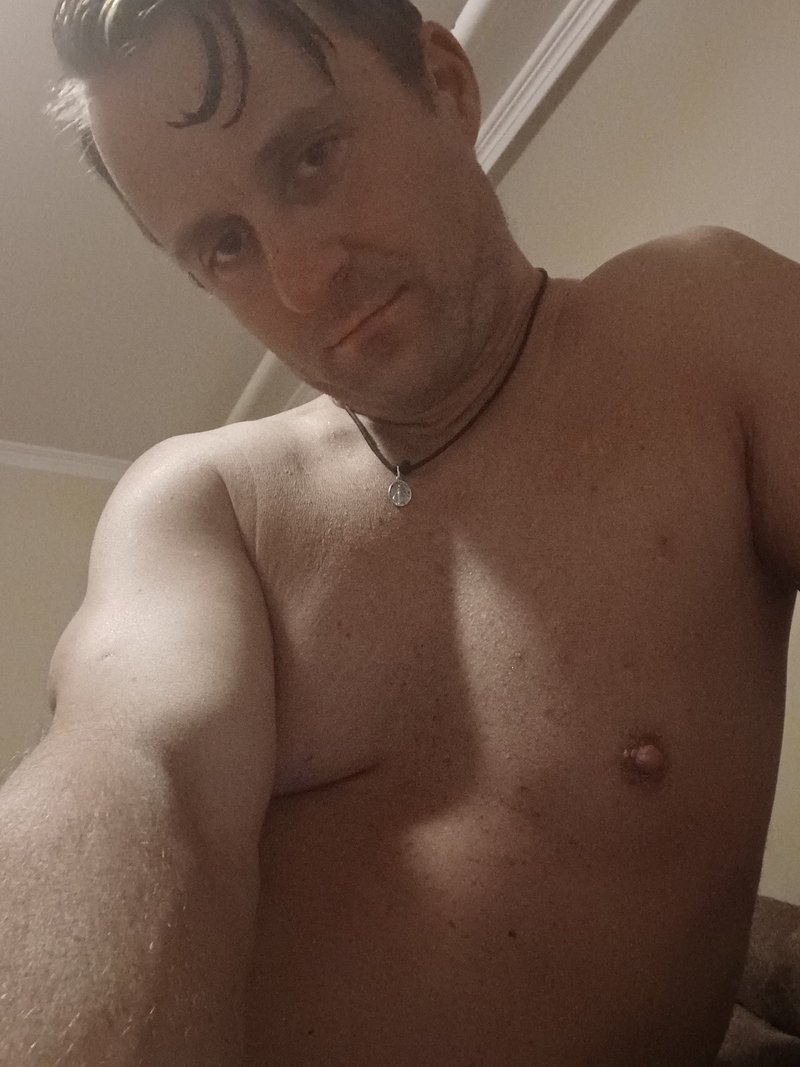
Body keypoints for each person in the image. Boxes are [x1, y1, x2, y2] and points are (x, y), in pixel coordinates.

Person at [2, 0, 799, 1062]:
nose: (300, 281)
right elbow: (135, 773)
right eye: (226, 245)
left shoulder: (703, 330)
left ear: (447, 85)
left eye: (311, 157)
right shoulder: (204, 500)